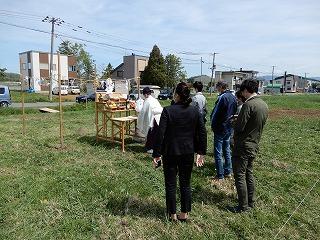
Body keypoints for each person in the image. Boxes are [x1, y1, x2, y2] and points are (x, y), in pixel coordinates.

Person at [152, 82, 207, 222]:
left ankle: (172, 215)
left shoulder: (168, 110)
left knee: (170, 184)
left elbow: (160, 134)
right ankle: (184, 214)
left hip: (170, 152)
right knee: (185, 183)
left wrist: (157, 154)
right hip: (188, 152)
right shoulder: (194, 111)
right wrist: (201, 151)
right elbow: (202, 131)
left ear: (176, 95)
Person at [231, 79, 268, 213]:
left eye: (242, 91)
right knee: (249, 173)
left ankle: (243, 206)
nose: (242, 94)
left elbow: (240, 127)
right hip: (254, 143)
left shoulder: (248, 105)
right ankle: (251, 201)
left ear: (246, 91)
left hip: (243, 145)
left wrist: (233, 122)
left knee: (240, 175)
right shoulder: (263, 104)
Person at [210, 81, 237, 181]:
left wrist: (212, 124)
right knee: (227, 150)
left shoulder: (222, 97)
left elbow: (215, 113)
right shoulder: (233, 97)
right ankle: (228, 171)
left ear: (221, 87)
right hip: (229, 127)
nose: (216, 88)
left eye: (217, 86)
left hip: (220, 127)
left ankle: (220, 175)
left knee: (218, 151)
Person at [136, 87, 163, 153]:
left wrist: (138, 120)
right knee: (156, 135)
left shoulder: (147, 101)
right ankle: (155, 147)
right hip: (160, 119)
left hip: (153, 120)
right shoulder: (155, 100)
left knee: (151, 135)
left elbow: (143, 112)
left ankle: (150, 148)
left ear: (145, 94)